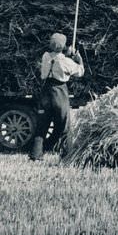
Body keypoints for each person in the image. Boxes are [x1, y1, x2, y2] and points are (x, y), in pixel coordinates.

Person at [30, 32, 84, 161]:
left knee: (42, 124)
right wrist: (78, 59)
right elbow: (80, 72)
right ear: (63, 46)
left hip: (45, 91)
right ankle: (66, 154)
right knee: (63, 124)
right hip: (59, 91)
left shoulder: (45, 56)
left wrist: (65, 54)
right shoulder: (66, 61)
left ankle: (36, 155)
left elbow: (55, 59)